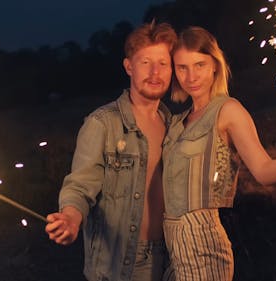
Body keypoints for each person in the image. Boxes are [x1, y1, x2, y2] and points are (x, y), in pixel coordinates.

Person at [161, 26, 276, 281]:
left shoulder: (228, 110)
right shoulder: (177, 121)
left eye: (199, 65)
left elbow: (263, 171)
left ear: (215, 65)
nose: (191, 75)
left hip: (203, 244)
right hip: (174, 248)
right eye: (182, 67)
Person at [45, 22, 177, 281]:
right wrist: (71, 218)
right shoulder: (102, 123)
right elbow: (80, 186)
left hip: (169, 258)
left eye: (163, 63)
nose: (154, 72)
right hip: (122, 263)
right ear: (129, 66)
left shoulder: (173, 124)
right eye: (145, 62)